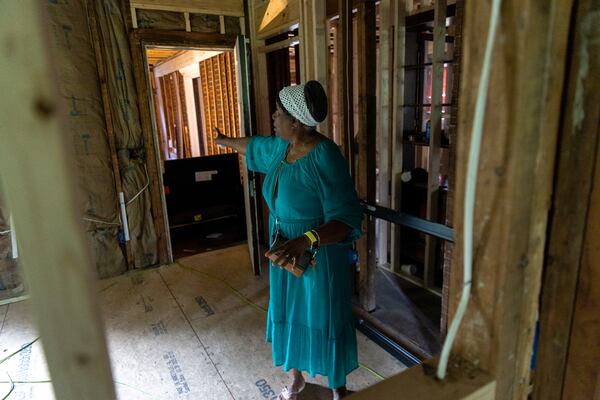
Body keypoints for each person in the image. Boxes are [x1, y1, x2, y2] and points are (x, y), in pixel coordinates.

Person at [215, 80, 362, 400]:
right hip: (285, 246)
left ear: (295, 122)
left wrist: (305, 240)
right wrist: (225, 140)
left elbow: (347, 218)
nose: (273, 117)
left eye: (278, 114)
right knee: (289, 310)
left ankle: (338, 388)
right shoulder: (282, 148)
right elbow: (253, 145)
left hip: (319, 254)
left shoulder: (325, 155)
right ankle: (295, 379)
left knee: (325, 313)